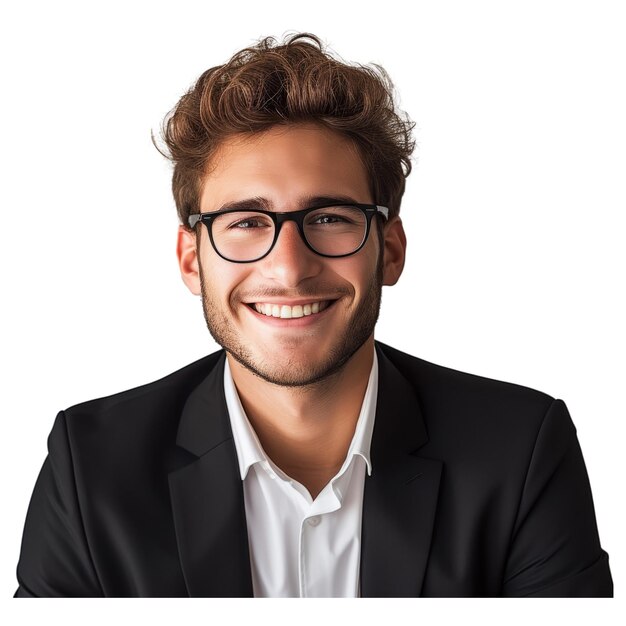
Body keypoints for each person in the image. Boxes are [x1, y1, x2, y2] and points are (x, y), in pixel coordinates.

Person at [14, 33, 612, 598]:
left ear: (391, 250)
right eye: (246, 223)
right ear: (192, 260)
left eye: (329, 218)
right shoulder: (89, 468)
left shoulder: (521, 449)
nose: (290, 268)